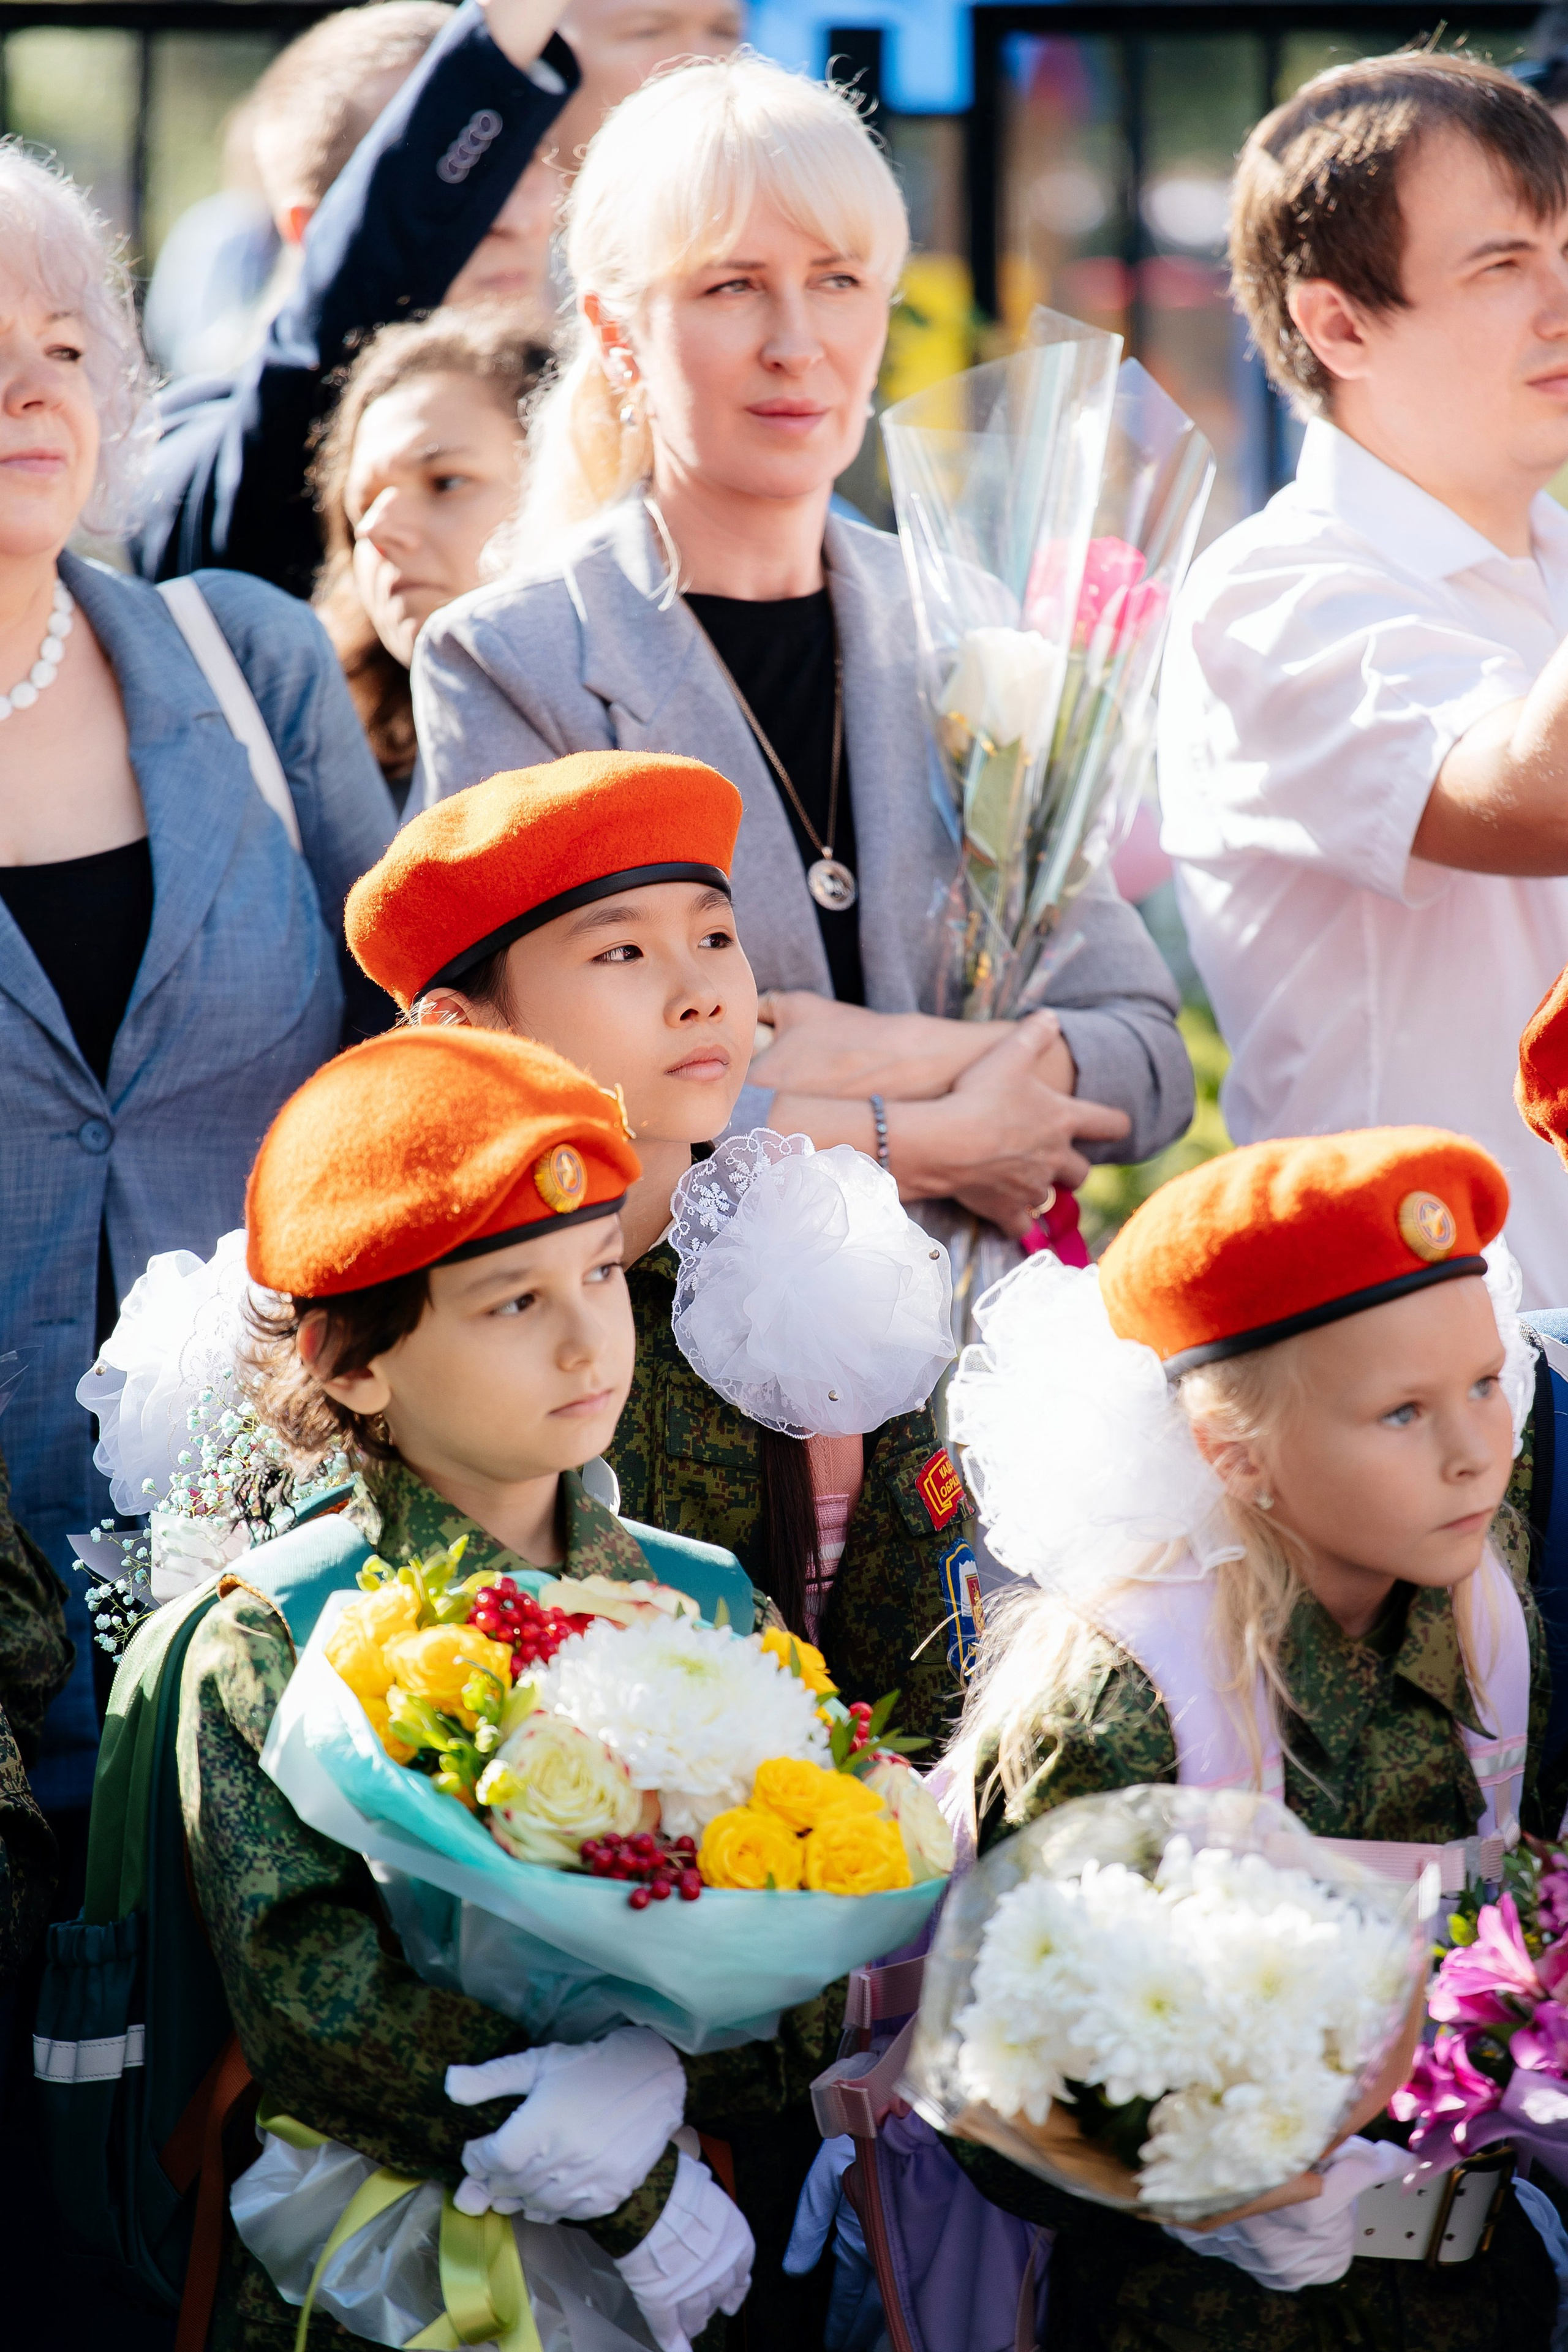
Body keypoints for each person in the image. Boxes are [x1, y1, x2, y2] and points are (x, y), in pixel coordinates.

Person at [413, 56, 1193, 1241]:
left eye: (837, 281)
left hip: (975, 1343)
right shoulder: (513, 660)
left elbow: (1148, 1061)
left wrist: (878, 1051)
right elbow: (536, 1094)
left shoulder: (964, 620)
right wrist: (930, 1137)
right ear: (618, 335)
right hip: (687, 1345)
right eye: (733, 286)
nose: (797, 341)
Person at [187, 1023, 840, 2348]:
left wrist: (660, 2079)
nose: (587, 1342)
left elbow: (818, 1928)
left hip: (673, 2274)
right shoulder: (280, 1631)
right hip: (367, 2272)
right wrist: (613, 2173)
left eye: (599, 1273)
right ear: (350, 1359)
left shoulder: (710, 1604)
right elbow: (311, 2000)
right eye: (513, 1304)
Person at [935, 1127, 1557, 2346]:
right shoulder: (1127, 1693)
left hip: (1476, 2299)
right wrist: (1197, 2185)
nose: (1473, 1451)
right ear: (1234, 1453)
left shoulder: (1483, 1615)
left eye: (1483, 1383)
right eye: (1400, 1411)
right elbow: (998, 2097)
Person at [0, 144, 394, 1830]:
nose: (32, 389)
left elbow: (416, 1048)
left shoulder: (249, 661)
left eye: (64, 345)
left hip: (278, 1599)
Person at [345, 750, 973, 1749]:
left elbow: (922, 1724)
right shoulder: (388, 1309)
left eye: (716, 937)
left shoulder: (829, 1280)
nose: (701, 994)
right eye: (622, 952)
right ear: (461, 1028)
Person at [1159, 51, 1568, 1306]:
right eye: (1502, 266)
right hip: (1426, 1361)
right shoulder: (1275, 592)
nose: (1561, 303)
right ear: (1338, 325)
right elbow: (1535, 792)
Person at [130, 0, 577, 596]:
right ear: (315, 230)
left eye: (531, 156)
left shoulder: (600, 404)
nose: (514, 218)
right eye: (465, 175)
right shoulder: (211, 458)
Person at [312, 306, 549, 809]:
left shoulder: (661, 725)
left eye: (446, 482)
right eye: (362, 506)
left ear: (561, 478)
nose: (377, 529)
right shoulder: (320, 791)